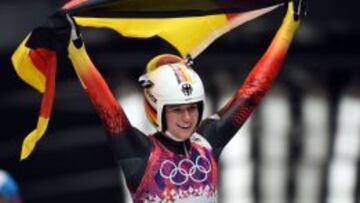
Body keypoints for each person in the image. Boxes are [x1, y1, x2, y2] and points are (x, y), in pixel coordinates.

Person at [25, 1, 305, 202]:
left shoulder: (208, 143)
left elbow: (252, 93)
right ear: (155, 109)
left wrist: (287, 28)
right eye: (177, 110)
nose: (187, 118)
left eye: (193, 108)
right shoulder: (139, 153)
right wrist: (77, 51)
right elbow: (106, 106)